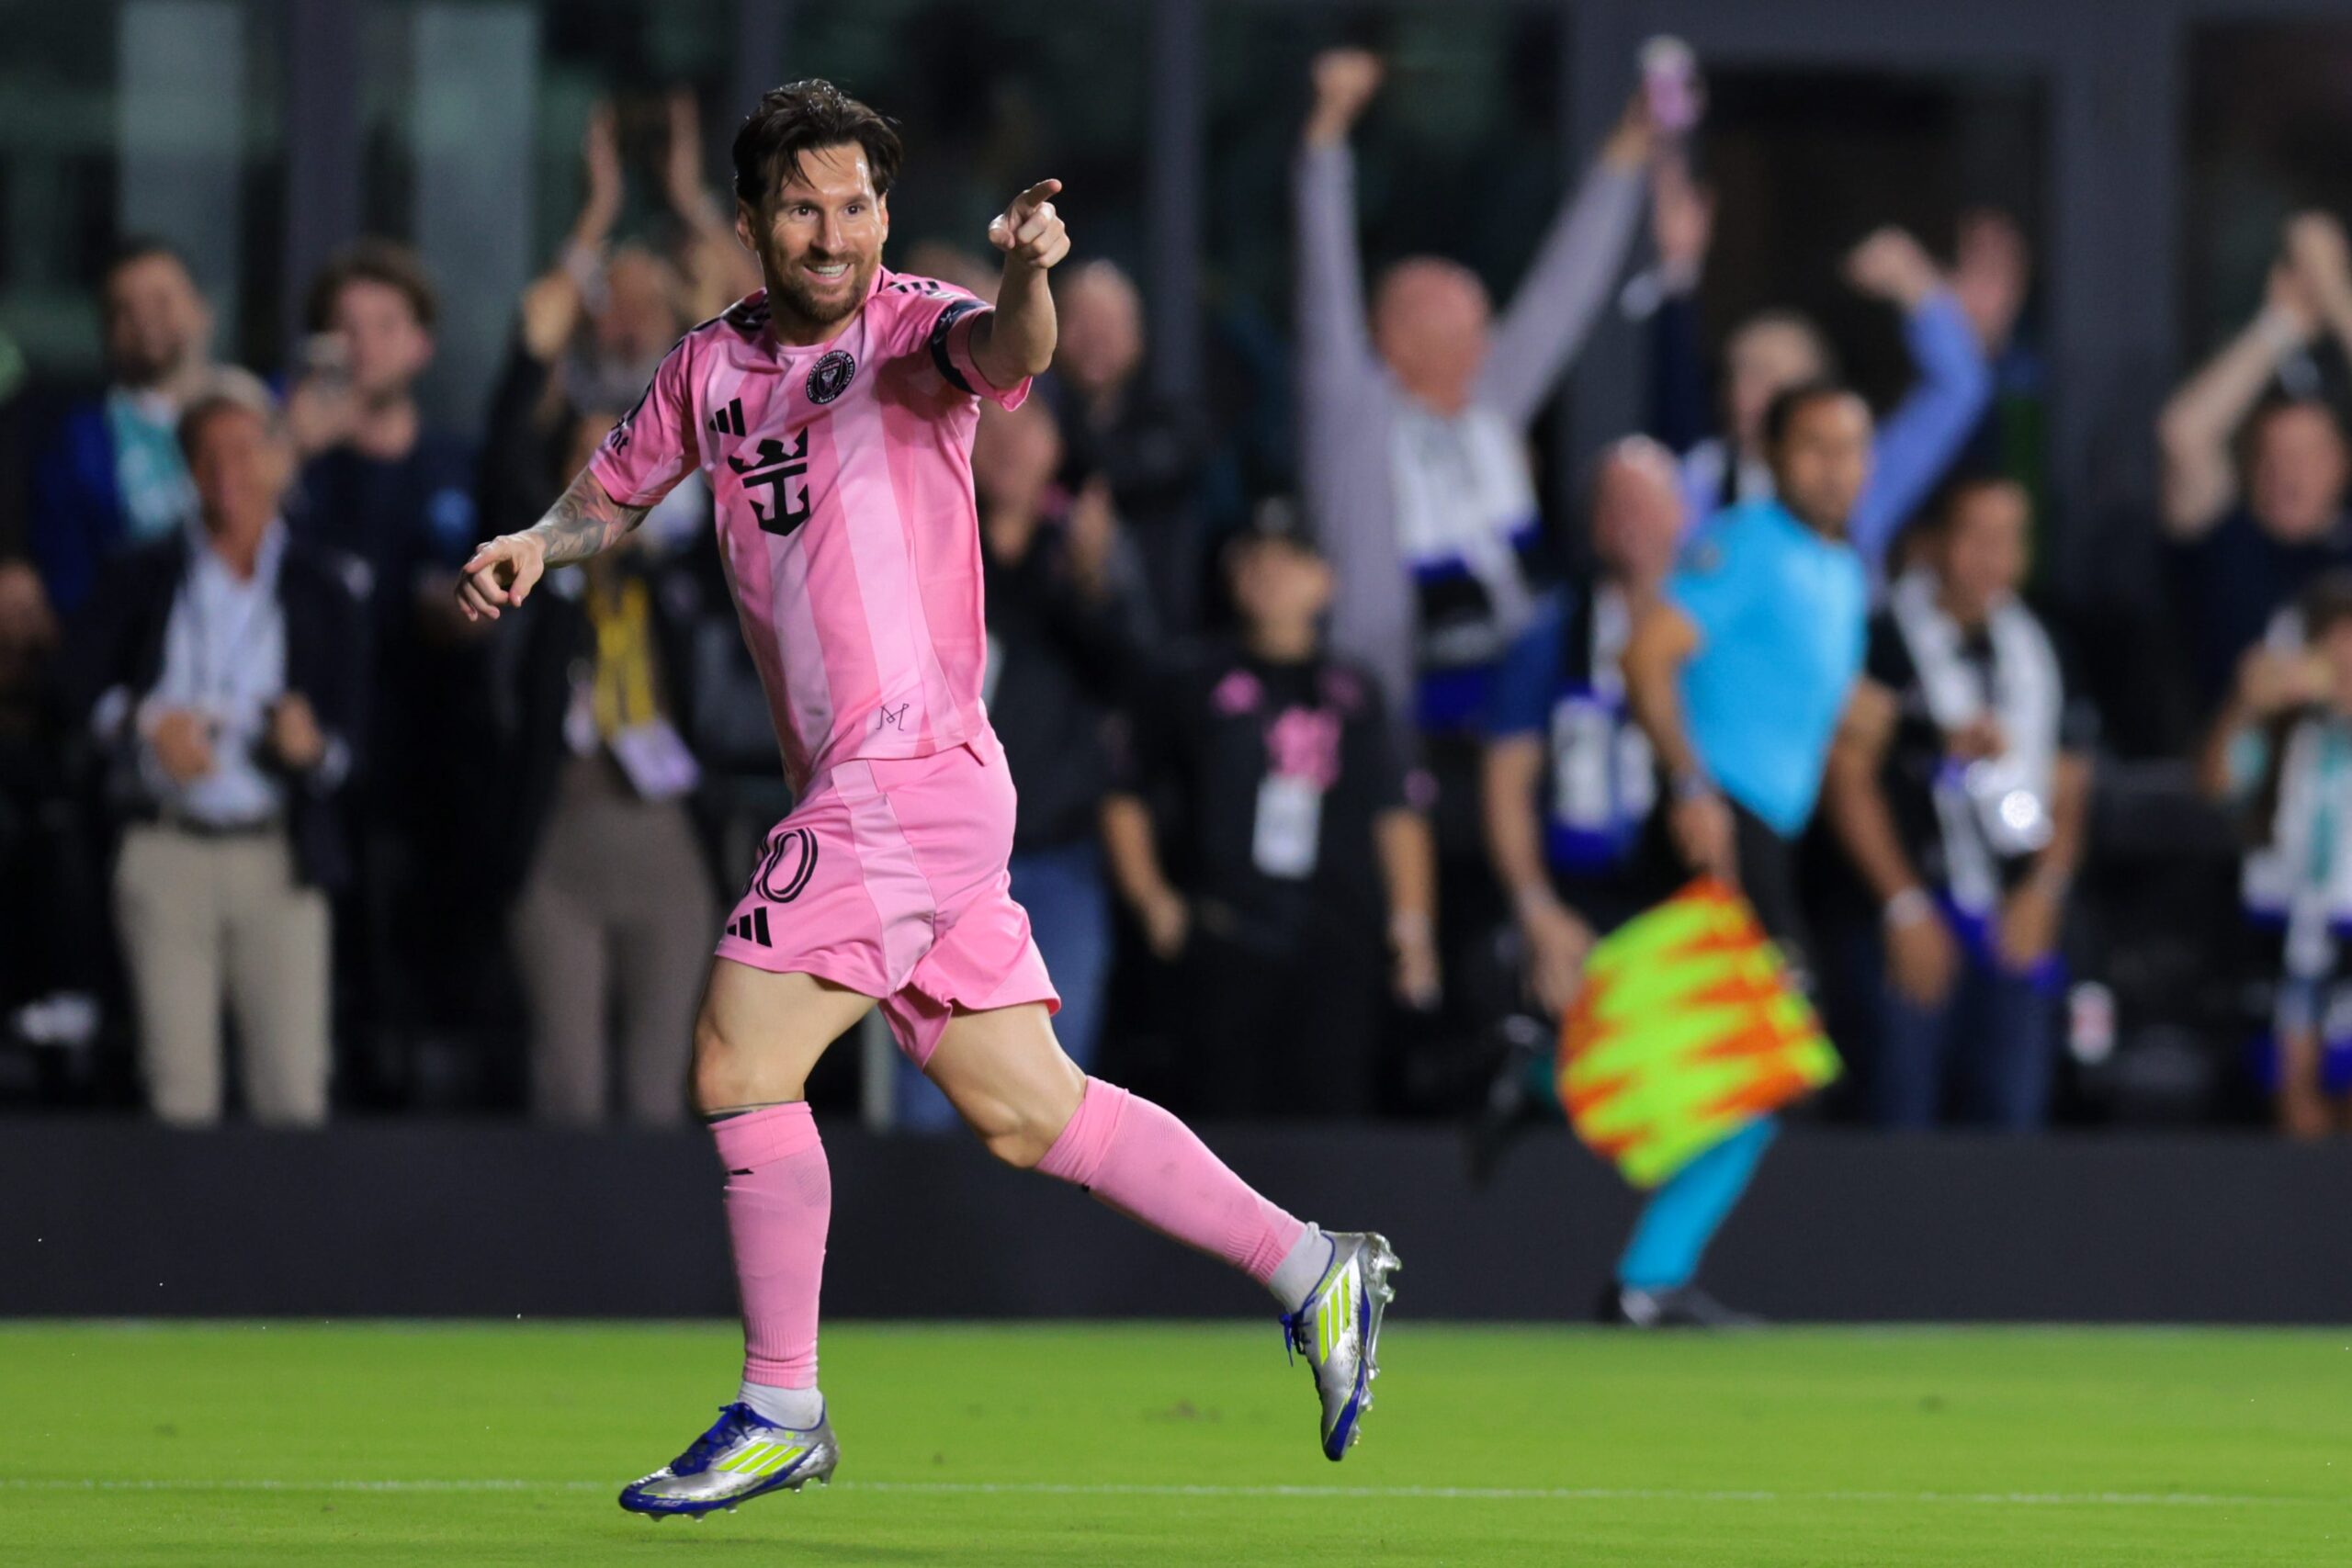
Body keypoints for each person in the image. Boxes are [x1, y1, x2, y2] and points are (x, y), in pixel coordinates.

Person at [454, 81, 1399, 1514]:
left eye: (854, 205)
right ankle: (1310, 1264)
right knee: (1031, 1111)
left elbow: (1009, 347)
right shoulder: (709, 367)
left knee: (734, 1061)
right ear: (753, 219)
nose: (831, 234)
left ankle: (783, 1401)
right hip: (895, 790)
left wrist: (1028, 273)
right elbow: (616, 492)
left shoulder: (915, 327)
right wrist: (539, 540)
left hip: (903, 778)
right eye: (802, 206)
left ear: (885, 217)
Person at [1607, 382, 1877, 1325]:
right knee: (1764, 1059)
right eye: (1814, 446)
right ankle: (1647, 1279)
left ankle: (1529, 1080)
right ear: (1769, 452)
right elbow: (1645, 655)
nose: (1835, 467)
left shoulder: (1838, 567)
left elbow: (1807, 702)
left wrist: (1923, 727)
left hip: (1765, 830)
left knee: (1730, 1060)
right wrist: (1690, 785)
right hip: (1719, 824)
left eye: (1850, 446)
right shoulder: (1751, 544)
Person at [1295, 47, 1652, 738]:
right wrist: (1326, 138)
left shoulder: (1486, 404)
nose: (1488, 349)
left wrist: (1626, 153)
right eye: (1464, 336)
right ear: (1398, 342)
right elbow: (1323, 289)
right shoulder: (1354, 416)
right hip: (1392, 718)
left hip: (1512, 720)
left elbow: (1562, 296)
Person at [63, 372, 368, 1126]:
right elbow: (70, 689)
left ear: (275, 459)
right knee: (177, 1095)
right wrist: (140, 720)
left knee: (294, 1094)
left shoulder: (322, 584)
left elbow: (353, 743)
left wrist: (310, 748)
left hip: (278, 853)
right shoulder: (144, 570)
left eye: (240, 451)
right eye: (205, 455)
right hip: (167, 846)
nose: (225, 472)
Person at [1102, 502, 1441, 1119]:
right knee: (1223, 1123)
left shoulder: (1356, 691)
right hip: (1225, 932)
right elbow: (1125, 791)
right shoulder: (1190, 679)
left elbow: (1398, 810)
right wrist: (1153, 900)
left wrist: (1412, 926)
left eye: (1289, 559)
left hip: (1336, 940)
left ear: (1324, 579)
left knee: (1331, 1121)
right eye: (1254, 557)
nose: (1270, 573)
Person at [895, 397, 1148, 1131]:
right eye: (989, 428)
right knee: (929, 1103)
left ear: (1058, 449)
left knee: (1053, 1101)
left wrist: (1093, 583)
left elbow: (1138, 679)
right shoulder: (928, 542)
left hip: (1056, 858)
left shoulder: (1083, 555)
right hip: (934, 872)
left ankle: (1039, 1248)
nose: (1006, 446)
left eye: (1028, 427)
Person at [1823, 476, 2095, 1130]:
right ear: (1933, 543)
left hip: (2011, 910)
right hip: (1913, 905)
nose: (1994, 555)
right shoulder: (1880, 640)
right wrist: (1904, 905)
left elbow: (2069, 782)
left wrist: (2045, 889)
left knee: (2011, 1114)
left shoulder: (2044, 646)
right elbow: (1847, 778)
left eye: (2010, 537)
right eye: (1977, 535)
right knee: (1901, 1115)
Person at [491, 411, 718, 1127]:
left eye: (623, 456)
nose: (608, 477)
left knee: (660, 1093)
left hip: (667, 848)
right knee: (569, 1088)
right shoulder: (527, 587)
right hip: (559, 849)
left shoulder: (679, 586)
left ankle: (655, 1242)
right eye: (584, 458)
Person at [1645, 153, 1990, 573]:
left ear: (1818, 395)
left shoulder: (1862, 485)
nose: (1744, 392)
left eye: (1769, 375)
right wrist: (1677, 269)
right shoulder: (1698, 482)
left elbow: (1959, 389)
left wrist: (1917, 287)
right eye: (1738, 373)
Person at [2158, 213, 2352, 711]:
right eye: (2274, 454)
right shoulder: (2227, 536)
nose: (2288, 472)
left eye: (2307, 455)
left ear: (2342, 463)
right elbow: (2183, 435)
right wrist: (2281, 324)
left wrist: (2333, 295)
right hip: (2229, 776)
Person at [2199, 571, 2352, 1138]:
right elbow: (2217, 782)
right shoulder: (2291, 738)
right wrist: (2246, 704)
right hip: (2292, 942)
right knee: (2296, 1108)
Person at [30, 240, 214, 614]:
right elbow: (69, 580)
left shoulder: (260, 412)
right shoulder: (77, 444)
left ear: (202, 310)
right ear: (106, 331)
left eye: (161, 301)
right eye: (124, 310)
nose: (145, 320)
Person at [1041, 260, 1208, 633]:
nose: (1094, 337)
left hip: (1163, 639)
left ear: (1139, 336)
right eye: (1079, 320)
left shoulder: (1175, 423)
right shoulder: (1033, 422)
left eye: (1110, 322)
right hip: (1054, 642)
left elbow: (1140, 469)